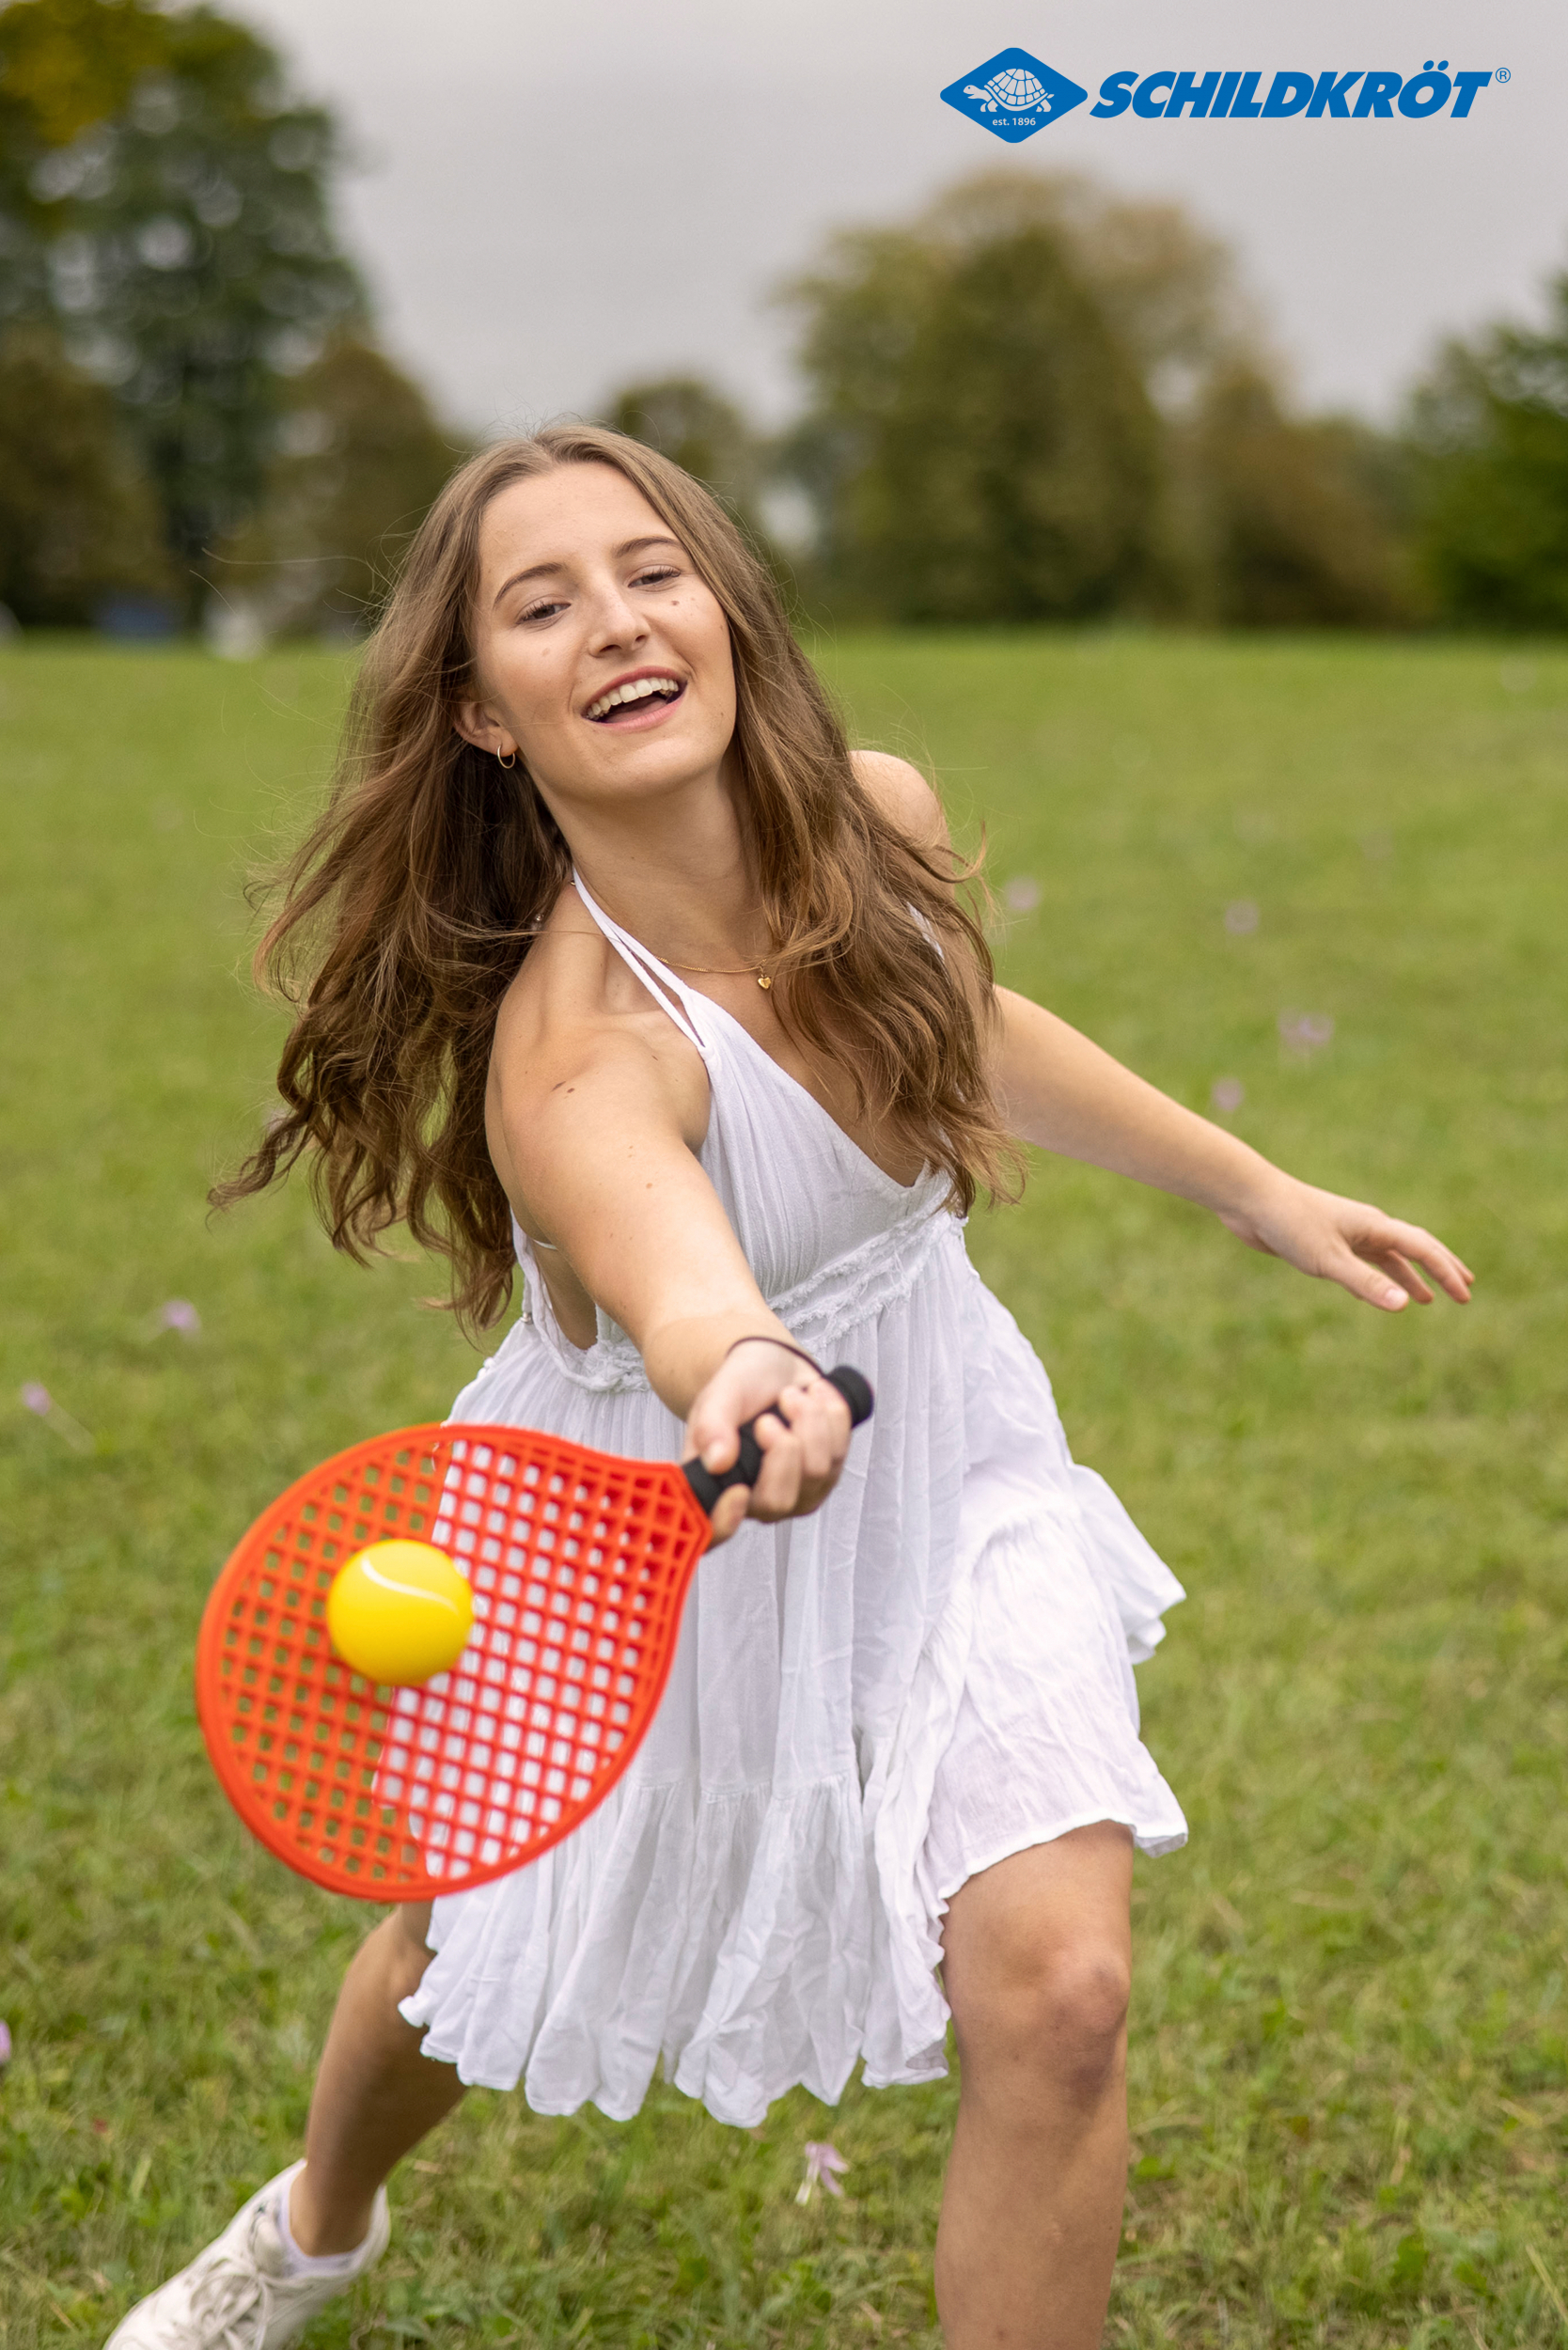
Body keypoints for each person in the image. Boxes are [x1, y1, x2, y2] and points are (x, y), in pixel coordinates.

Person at [107, 425, 1471, 2350]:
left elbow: (958, 1024)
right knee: (455, 1952)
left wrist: (1253, 1186)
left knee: (1063, 1994)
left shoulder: (874, 818)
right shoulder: (573, 1060)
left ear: (725, 606)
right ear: (483, 710)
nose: (615, 623)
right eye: (541, 605)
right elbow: (684, 1280)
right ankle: (316, 2223)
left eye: (650, 570)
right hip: (628, 1519)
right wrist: (749, 1370)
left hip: (948, 1452)